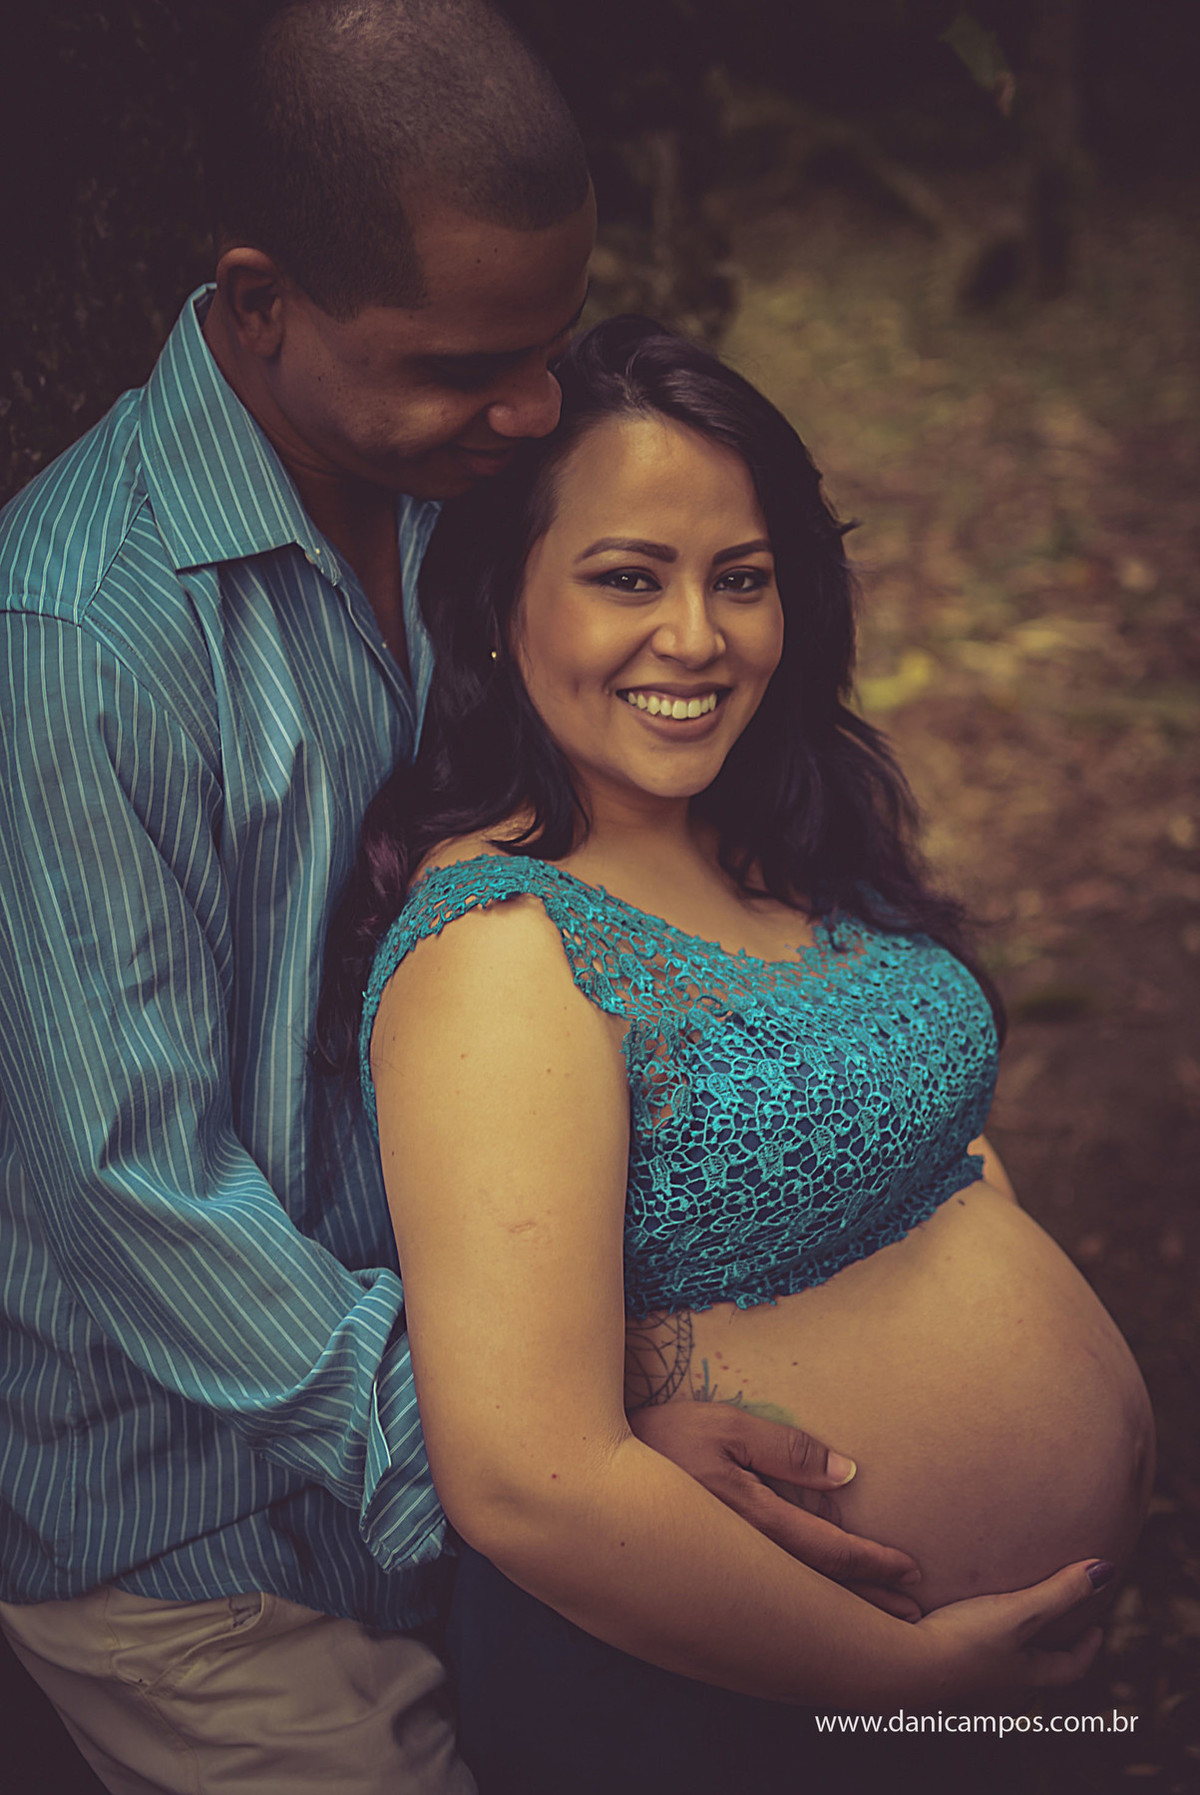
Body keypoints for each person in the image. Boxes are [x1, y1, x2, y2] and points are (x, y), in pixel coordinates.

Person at [0, 5, 922, 1791]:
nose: (524, 406)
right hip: (209, 1548)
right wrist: (560, 1452)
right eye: (464, 364)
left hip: (509, 1454)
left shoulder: (475, 493)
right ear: (258, 303)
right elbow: (139, 1199)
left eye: (548, 349)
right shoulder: (70, 645)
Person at [321, 315, 1155, 1793]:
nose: (698, 637)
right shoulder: (503, 944)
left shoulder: (775, 826)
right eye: (629, 577)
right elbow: (528, 1478)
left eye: (742, 579)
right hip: (731, 1712)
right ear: (506, 605)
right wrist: (903, 1681)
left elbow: (934, 1148)